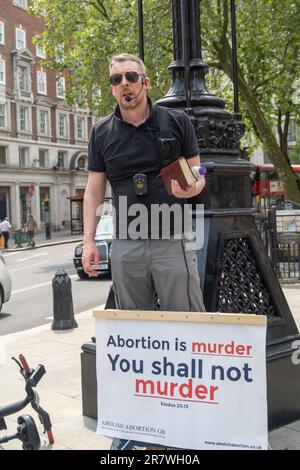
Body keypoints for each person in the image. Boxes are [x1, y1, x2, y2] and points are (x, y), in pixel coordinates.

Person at [83, 53, 206, 449]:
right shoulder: (101, 132)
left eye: (131, 77)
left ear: (146, 82)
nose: (124, 85)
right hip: (127, 241)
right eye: (116, 79)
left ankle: (190, 420)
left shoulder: (177, 122)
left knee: (186, 325)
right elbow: (93, 190)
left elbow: (198, 173)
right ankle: (140, 423)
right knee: (133, 333)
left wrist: (193, 187)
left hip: (171, 236)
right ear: (112, 87)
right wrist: (87, 241)